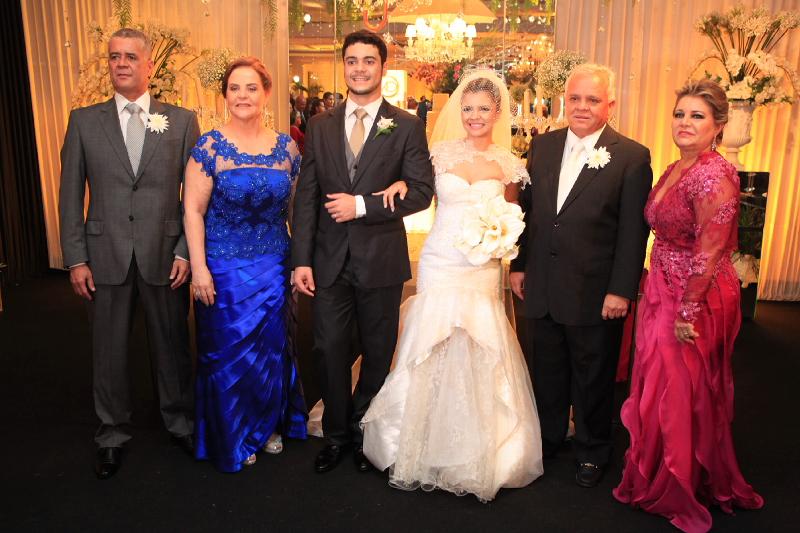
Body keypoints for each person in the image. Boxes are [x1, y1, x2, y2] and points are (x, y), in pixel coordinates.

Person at [361, 72, 543, 502]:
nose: (474, 116)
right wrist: (403, 183)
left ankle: (477, 449)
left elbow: (513, 215)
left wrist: (500, 242)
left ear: (497, 113)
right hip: (441, 259)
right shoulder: (438, 153)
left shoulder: (509, 163)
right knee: (432, 338)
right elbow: (418, 190)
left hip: (481, 266)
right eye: (468, 108)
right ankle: (414, 442)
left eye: (483, 109)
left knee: (478, 340)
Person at [613, 79, 764, 532]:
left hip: (695, 296)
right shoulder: (678, 166)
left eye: (697, 116)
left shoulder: (715, 175)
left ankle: (680, 483)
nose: (685, 122)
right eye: (680, 114)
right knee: (657, 382)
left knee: (680, 389)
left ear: (718, 126)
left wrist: (687, 312)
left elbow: (710, 252)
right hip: (662, 286)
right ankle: (656, 471)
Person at [291, 29, 434, 474]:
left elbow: (421, 192)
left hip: (380, 260)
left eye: (368, 61)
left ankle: (363, 430)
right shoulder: (320, 124)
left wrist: (363, 206)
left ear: (382, 68)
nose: (359, 69)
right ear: (344, 66)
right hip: (328, 260)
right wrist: (301, 259)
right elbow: (307, 196)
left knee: (377, 350)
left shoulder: (406, 125)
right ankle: (335, 435)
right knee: (328, 349)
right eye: (352, 61)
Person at [59, 27, 197, 479]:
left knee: (172, 346)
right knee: (109, 352)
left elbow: (196, 197)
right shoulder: (84, 121)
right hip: (105, 255)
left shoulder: (182, 121)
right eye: (114, 56)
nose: (121, 63)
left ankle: (179, 423)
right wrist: (76, 258)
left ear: (149, 66)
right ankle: (111, 434)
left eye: (130, 57)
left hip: (166, 255)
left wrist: (185, 251)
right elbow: (69, 196)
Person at [510, 63, 652, 488]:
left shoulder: (632, 156)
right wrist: (519, 264)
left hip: (595, 290)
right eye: (575, 98)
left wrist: (621, 290)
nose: (582, 107)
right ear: (564, 101)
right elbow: (529, 214)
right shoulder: (543, 146)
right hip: (542, 284)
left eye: (593, 99)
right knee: (546, 369)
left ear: (610, 105)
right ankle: (549, 437)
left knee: (593, 375)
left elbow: (633, 232)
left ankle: (592, 450)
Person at [183, 57, 307, 472]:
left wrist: (298, 262)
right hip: (222, 268)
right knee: (227, 353)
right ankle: (234, 433)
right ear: (225, 95)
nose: (242, 96)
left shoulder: (287, 148)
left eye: (251, 88)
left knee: (270, 351)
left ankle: (267, 426)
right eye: (234, 88)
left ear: (266, 93)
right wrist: (199, 268)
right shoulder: (210, 147)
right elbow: (192, 211)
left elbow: (296, 210)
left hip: (274, 265)